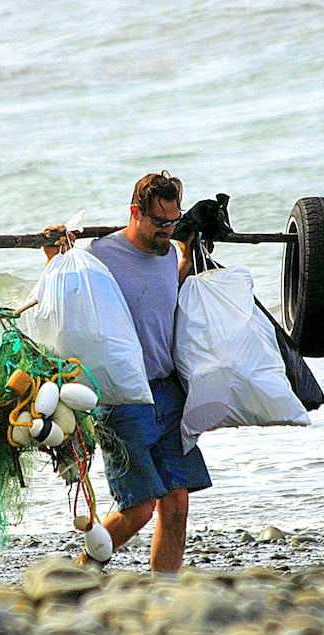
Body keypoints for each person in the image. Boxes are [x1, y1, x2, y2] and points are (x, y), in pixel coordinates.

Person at [43, 171, 212, 575]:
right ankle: (83, 569)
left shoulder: (170, 253)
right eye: (160, 223)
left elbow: (165, 297)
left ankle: (164, 590)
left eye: (174, 222)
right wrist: (54, 258)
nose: (167, 231)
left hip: (167, 391)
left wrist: (187, 259)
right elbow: (65, 301)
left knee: (177, 504)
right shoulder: (101, 254)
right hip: (118, 396)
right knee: (138, 508)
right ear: (135, 213)